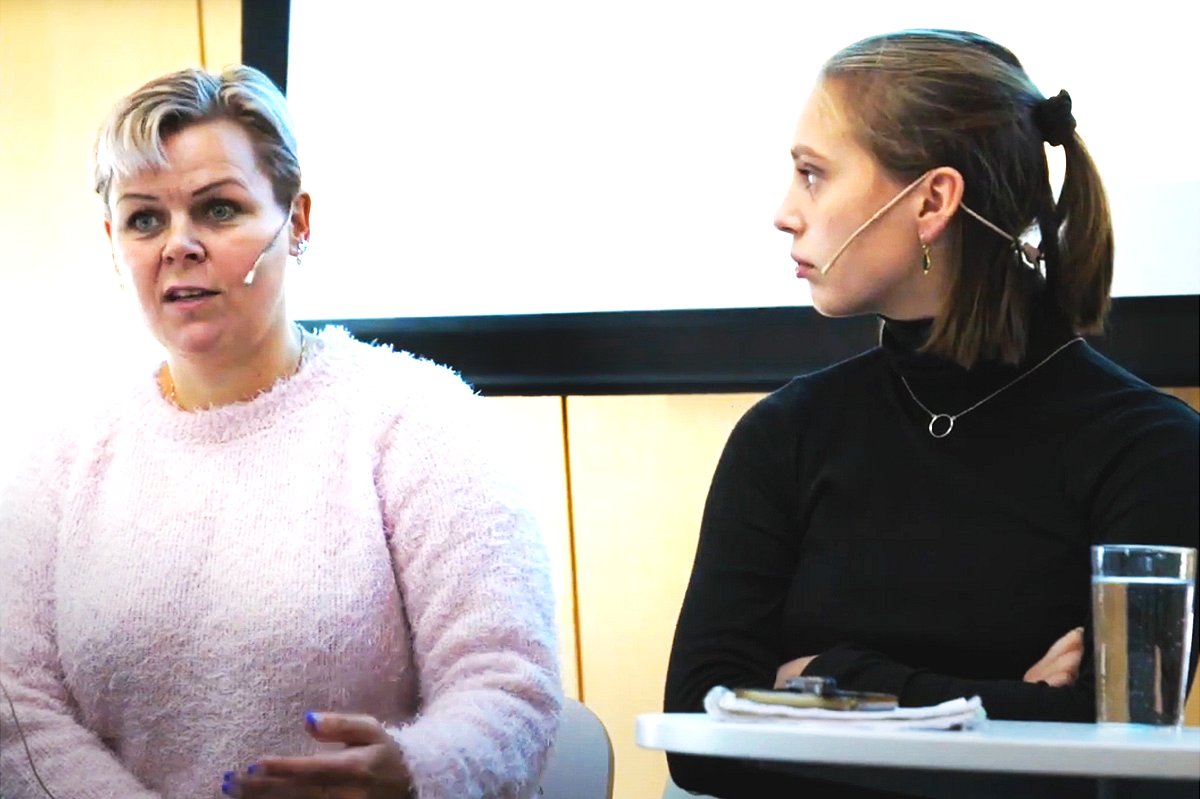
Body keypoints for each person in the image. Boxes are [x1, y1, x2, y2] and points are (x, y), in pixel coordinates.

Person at [664, 29, 1199, 798]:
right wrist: (1009, 703)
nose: (784, 213)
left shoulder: (1152, 450)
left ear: (933, 200)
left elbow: (1119, 758)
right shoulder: (786, 435)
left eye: (813, 175)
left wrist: (825, 677)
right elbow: (699, 735)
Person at [0, 65, 561, 799]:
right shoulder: (60, 455)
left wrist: (415, 773)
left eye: (219, 209)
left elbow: (507, 681)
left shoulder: (417, 415)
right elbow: (17, 707)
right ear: (115, 243)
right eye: (145, 219)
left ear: (295, 223)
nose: (179, 245)